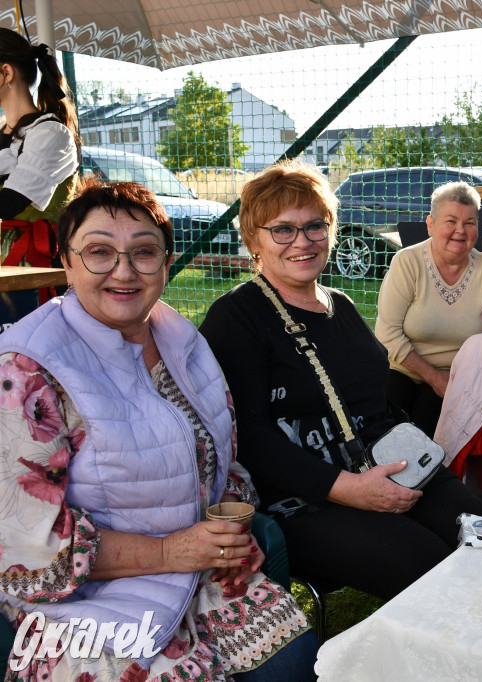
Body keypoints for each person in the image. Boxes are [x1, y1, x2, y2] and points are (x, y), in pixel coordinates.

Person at [0, 180, 316, 681]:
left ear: (166, 263)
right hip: (82, 598)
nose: (124, 271)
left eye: (144, 252)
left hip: (199, 568)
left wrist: (229, 534)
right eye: (99, 252)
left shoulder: (181, 341)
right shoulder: (26, 368)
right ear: (67, 262)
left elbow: (221, 457)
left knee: (294, 664)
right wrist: (171, 552)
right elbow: (23, 542)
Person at [199, 160, 482, 601]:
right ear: (253, 240)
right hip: (304, 500)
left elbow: (374, 401)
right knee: (434, 572)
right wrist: (351, 490)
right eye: (283, 230)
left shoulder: (342, 305)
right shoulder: (237, 317)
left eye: (315, 226)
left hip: (387, 465)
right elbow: (251, 441)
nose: (303, 241)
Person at [375, 182, 482, 434]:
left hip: (459, 377)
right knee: (390, 430)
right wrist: (434, 378)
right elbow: (386, 334)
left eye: (469, 223)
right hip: (403, 370)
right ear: (430, 224)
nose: (460, 230)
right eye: (451, 221)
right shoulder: (407, 262)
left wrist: (457, 380)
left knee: (433, 430)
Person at [0, 29, 79, 283]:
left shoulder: (50, 133)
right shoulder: (3, 129)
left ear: (6, 73)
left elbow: (8, 204)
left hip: (38, 264)